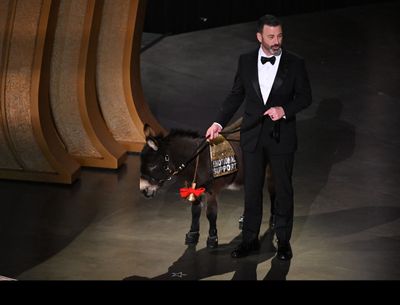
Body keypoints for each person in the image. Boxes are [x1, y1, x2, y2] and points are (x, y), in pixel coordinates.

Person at [206, 14, 312, 260]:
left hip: (281, 136)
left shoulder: (295, 63)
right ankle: (249, 240)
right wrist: (218, 122)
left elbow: (305, 97)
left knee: (283, 190)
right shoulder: (245, 61)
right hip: (252, 136)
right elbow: (236, 95)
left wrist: (284, 110)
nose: (277, 41)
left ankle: (283, 242)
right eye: (271, 36)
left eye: (280, 36)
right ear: (259, 37)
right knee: (252, 190)